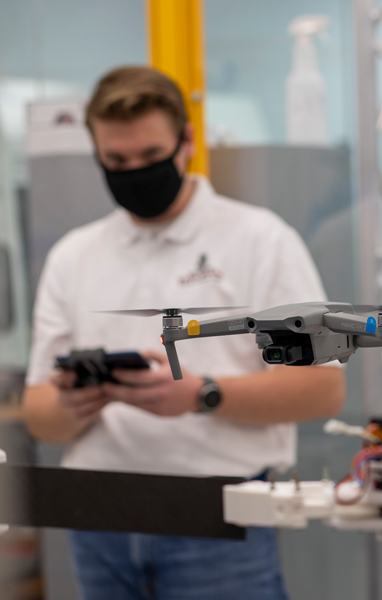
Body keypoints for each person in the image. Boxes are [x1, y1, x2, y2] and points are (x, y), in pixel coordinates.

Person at [22, 66, 345, 600]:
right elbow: (41, 417)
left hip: (216, 518)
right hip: (98, 515)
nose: (134, 172)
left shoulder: (260, 239)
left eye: (150, 158)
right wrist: (75, 401)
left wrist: (200, 395)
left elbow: (322, 388)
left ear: (188, 142)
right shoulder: (73, 256)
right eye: (116, 161)